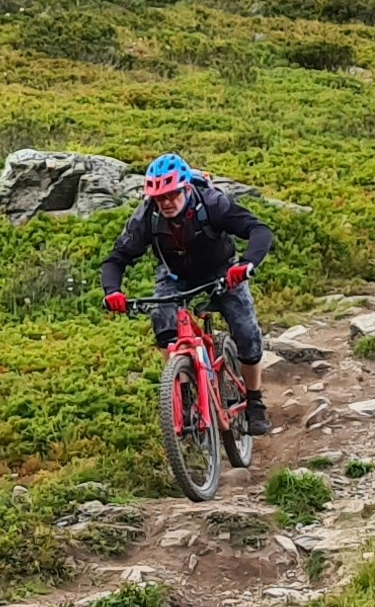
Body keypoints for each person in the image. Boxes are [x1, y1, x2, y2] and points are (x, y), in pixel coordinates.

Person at [97, 155, 277, 434]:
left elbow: (258, 230)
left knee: (245, 330)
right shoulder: (147, 217)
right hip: (175, 277)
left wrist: (246, 264)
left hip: (222, 271)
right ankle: (181, 393)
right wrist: (113, 291)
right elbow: (116, 259)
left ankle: (255, 402)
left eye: (171, 195)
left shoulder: (212, 204)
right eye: (160, 198)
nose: (166, 202)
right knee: (163, 321)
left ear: (186, 189)